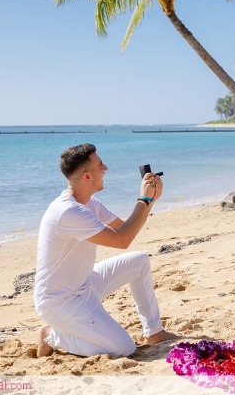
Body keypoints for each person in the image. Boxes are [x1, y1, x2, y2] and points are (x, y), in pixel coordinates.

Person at [33, 143, 177, 357]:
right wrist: (144, 199)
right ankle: (52, 335)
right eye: (100, 165)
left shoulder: (90, 203)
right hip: (61, 300)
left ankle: (154, 331)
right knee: (124, 349)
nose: (106, 168)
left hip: (85, 282)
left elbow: (123, 227)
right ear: (86, 176)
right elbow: (122, 240)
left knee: (139, 261)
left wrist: (151, 200)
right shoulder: (68, 212)